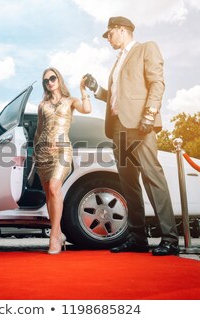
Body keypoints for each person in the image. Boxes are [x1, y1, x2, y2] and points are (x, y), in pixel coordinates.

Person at [85, 16, 179, 256]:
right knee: (129, 183)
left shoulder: (146, 48)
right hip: (118, 127)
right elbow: (119, 98)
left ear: (121, 30)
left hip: (140, 125)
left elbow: (157, 83)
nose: (108, 39)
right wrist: (97, 89)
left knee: (152, 178)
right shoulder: (117, 62)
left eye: (109, 34)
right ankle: (137, 238)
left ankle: (170, 239)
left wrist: (149, 114)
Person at [34, 67, 92, 254]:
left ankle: (54, 236)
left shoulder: (71, 101)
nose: (49, 82)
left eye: (52, 78)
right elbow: (39, 130)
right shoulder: (42, 105)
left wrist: (83, 90)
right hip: (43, 152)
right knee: (49, 195)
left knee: (54, 187)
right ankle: (58, 234)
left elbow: (87, 109)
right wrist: (35, 152)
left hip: (62, 149)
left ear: (59, 79)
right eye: (46, 81)